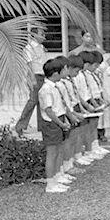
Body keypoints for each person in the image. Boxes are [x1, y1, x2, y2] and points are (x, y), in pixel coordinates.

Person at [38, 59, 72, 193]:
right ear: (55, 73)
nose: (64, 72)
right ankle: (50, 184)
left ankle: (57, 176)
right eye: (62, 70)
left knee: (58, 150)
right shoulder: (46, 89)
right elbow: (49, 110)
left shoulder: (54, 86)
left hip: (59, 120)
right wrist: (61, 123)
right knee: (52, 153)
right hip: (52, 123)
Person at [53, 55, 87, 180]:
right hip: (64, 114)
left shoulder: (67, 82)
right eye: (67, 69)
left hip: (70, 111)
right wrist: (71, 115)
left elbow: (72, 98)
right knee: (65, 142)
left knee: (72, 139)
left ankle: (69, 163)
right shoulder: (59, 84)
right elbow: (63, 103)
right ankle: (65, 166)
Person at [15, 27, 46, 136]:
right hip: (34, 76)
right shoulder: (29, 48)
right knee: (32, 101)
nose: (44, 36)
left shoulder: (41, 47)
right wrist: (32, 79)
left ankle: (42, 126)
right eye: (41, 34)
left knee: (41, 101)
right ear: (34, 35)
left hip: (42, 76)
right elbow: (28, 65)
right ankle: (20, 125)